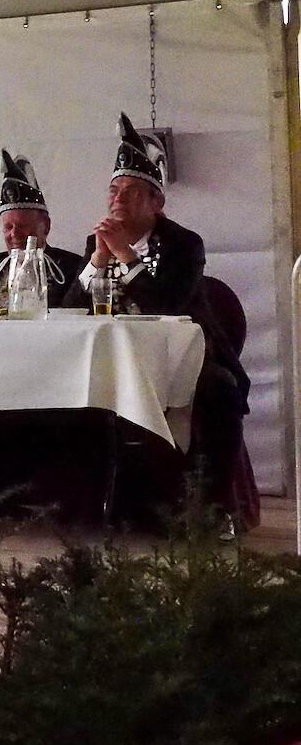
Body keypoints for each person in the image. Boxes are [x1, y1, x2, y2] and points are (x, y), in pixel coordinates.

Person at [64, 114, 253, 527]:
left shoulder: (184, 243)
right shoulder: (95, 242)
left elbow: (169, 306)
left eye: (132, 192)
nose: (118, 199)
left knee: (219, 391)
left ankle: (211, 511)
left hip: (184, 359)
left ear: (156, 203)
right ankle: (84, 506)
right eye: (114, 190)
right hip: (113, 361)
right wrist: (97, 260)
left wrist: (125, 255)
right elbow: (68, 311)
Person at [0, 149, 85, 310]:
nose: (14, 234)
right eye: (8, 227)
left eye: (22, 226)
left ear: (46, 226)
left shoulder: (72, 267)